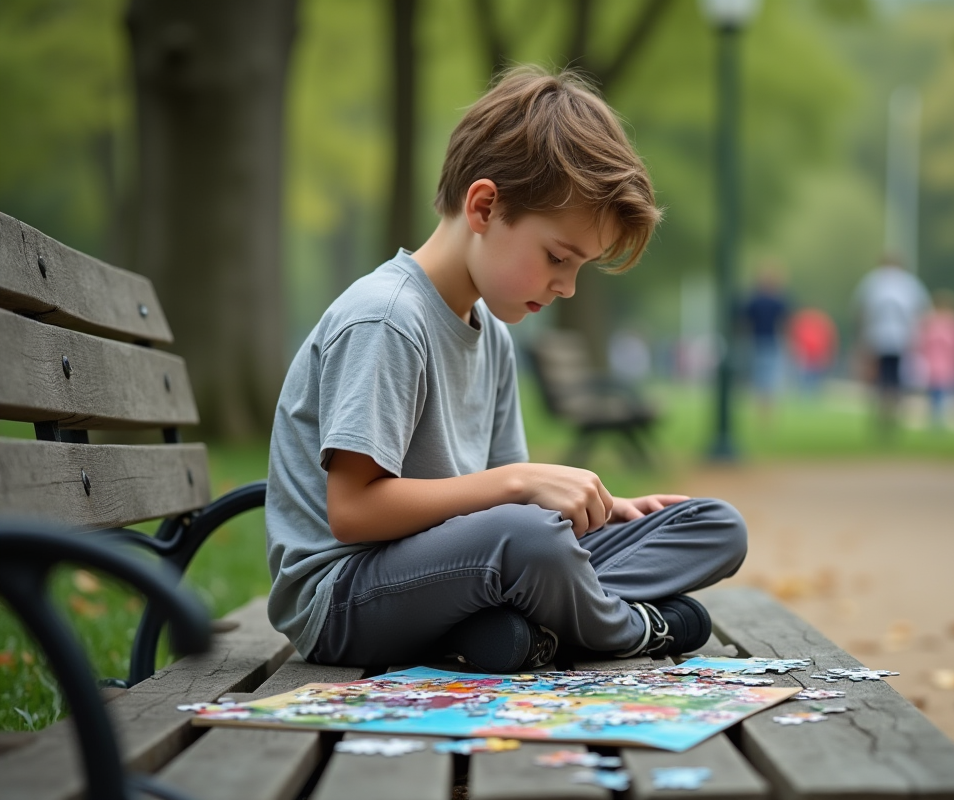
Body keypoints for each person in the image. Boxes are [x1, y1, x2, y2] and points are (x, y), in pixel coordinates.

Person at [266, 68, 748, 674]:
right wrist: (520, 484)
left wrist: (601, 506)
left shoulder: (491, 331)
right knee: (530, 543)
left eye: (580, 268)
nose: (568, 287)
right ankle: (629, 629)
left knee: (714, 525)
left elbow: (514, 510)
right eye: (558, 257)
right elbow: (354, 512)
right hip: (346, 598)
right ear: (485, 207)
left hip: (473, 569)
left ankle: (527, 631)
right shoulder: (386, 318)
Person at [851, 255, 931, 436]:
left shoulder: (872, 281)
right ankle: (893, 411)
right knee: (895, 377)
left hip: (876, 337)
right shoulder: (910, 283)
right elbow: (922, 310)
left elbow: (860, 311)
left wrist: (860, 338)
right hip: (902, 338)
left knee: (880, 377)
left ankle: (882, 411)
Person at [915, 290, 954, 428]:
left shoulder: (931, 322)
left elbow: (922, 341)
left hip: (939, 361)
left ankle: (938, 417)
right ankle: (942, 418)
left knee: (938, 390)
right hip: (947, 361)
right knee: (946, 390)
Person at [742, 267, 791, 416]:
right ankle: (767, 411)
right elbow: (784, 324)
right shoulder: (778, 302)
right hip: (770, 342)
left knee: (760, 378)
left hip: (758, 342)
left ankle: (761, 411)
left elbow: (745, 323)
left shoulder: (754, 301)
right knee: (769, 379)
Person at [788, 305, 838, 396]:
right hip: (806, 355)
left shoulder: (818, 323)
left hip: (816, 355)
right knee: (806, 378)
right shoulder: (817, 322)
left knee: (813, 378)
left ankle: (810, 394)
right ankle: (806, 394)